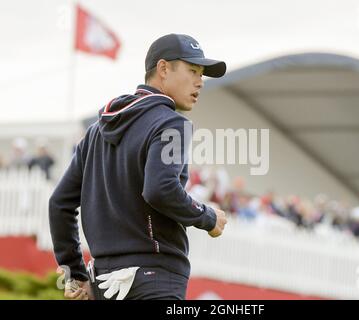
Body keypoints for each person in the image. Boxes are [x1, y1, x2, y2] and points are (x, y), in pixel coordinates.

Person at [49, 34, 228, 300]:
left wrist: (75, 275)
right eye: (193, 71)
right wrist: (207, 216)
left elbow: (59, 204)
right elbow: (161, 189)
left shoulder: (95, 132)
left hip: (103, 286)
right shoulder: (172, 124)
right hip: (155, 282)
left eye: (202, 75)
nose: (200, 82)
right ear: (164, 69)